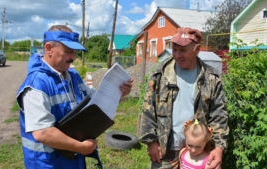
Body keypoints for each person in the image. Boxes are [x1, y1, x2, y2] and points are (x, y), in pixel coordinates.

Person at [16, 25, 133, 169]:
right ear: (48, 48)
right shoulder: (37, 83)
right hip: (46, 164)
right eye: (68, 51)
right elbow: (43, 133)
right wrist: (80, 147)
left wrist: (119, 93)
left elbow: (95, 101)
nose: (73, 57)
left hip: (73, 160)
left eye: (75, 52)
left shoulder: (73, 76)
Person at [139, 27, 229, 169]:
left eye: (183, 50)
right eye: (174, 49)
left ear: (197, 49)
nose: (177, 55)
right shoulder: (160, 75)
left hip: (199, 150)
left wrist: (218, 148)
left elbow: (219, 116)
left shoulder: (211, 78)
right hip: (165, 151)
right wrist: (151, 141)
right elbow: (148, 110)